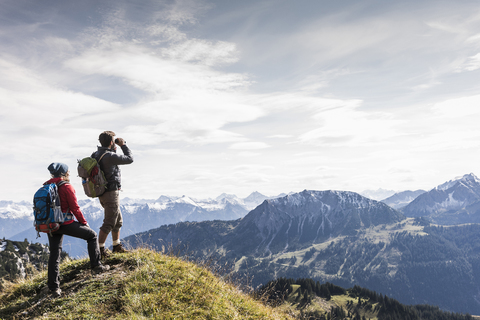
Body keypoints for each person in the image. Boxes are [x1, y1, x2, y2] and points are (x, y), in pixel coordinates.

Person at [44, 162, 109, 297]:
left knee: (55, 253)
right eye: (68, 171)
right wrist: (84, 223)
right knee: (91, 236)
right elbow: (75, 208)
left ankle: (53, 287)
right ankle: (96, 267)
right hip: (66, 223)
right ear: (65, 173)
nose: (69, 173)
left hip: (51, 225)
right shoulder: (66, 187)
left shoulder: (47, 186)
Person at [92, 131, 134, 259]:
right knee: (109, 222)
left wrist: (113, 150)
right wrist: (123, 145)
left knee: (117, 220)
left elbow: (107, 165)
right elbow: (129, 159)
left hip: (102, 192)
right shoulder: (109, 156)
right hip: (111, 192)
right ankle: (100, 251)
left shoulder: (96, 154)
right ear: (111, 142)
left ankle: (116, 246)